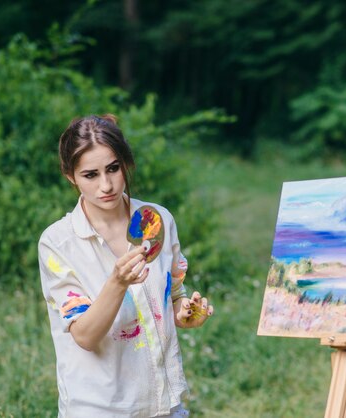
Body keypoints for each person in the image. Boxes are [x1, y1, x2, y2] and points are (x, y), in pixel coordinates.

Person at [38, 114, 213, 417]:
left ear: (126, 164)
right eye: (90, 175)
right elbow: (85, 336)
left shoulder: (156, 221)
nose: (106, 185)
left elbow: (172, 296)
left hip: (164, 405)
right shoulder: (58, 243)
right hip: (100, 408)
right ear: (70, 176)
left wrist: (184, 311)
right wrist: (117, 283)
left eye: (113, 169)